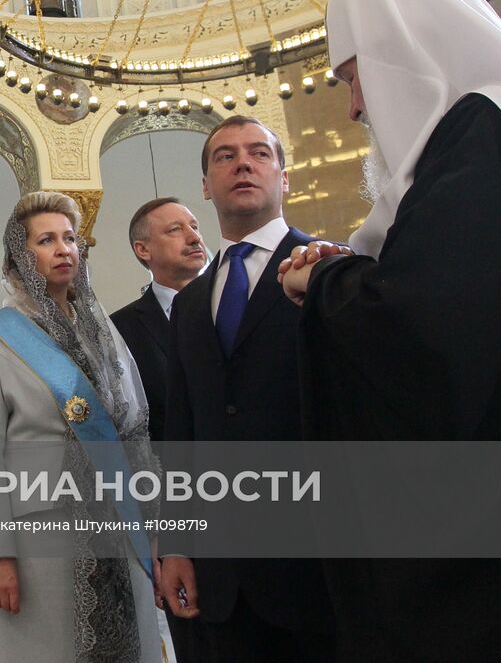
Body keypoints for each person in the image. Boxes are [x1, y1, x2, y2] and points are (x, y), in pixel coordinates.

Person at [278, 0, 501, 662]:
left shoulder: (485, 143)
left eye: (352, 77)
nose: (354, 108)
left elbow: (429, 338)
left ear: (400, 48)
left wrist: (324, 285)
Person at [158, 116, 335, 662]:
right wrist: (177, 542)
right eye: (225, 155)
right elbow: (183, 429)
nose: (243, 163)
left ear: (284, 179)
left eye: (259, 153)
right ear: (206, 186)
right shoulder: (189, 302)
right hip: (221, 575)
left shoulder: (330, 268)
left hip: (317, 564)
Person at [0, 191, 160, 662]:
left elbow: (136, 427)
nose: (64, 249)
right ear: (19, 255)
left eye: (71, 238)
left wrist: (154, 524)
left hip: (120, 517)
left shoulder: (105, 331)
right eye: (47, 239)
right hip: (43, 533)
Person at [111, 196, 207, 663]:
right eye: (175, 230)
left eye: (193, 225)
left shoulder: (237, 305)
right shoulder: (119, 331)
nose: (194, 236)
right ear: (142, 249)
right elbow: (129, 437)